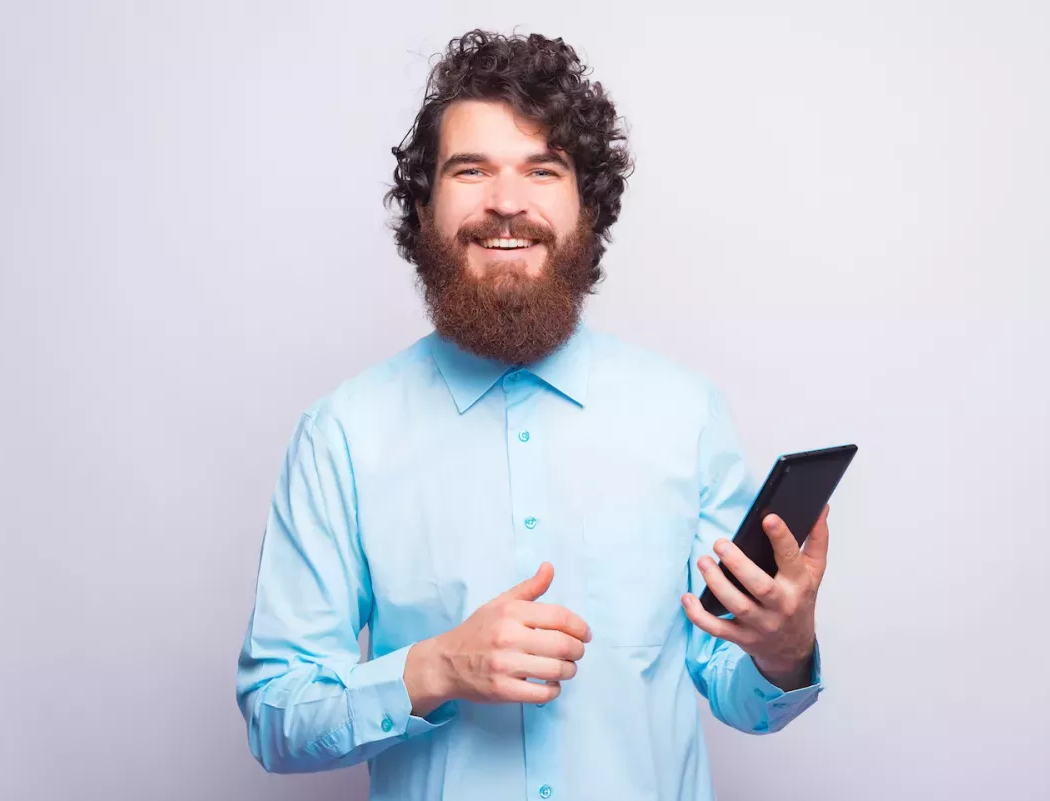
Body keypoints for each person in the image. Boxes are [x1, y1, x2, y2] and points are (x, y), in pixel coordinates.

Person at [236, 29, 830, 801]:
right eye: (470, 169)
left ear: (587, 204)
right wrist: (434, 667)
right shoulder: (342, 436)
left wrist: (784, 649)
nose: (507, 202)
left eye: (542, 170)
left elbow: (735, 687)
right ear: (424, 206)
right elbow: (274, 712)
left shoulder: (685, 416)